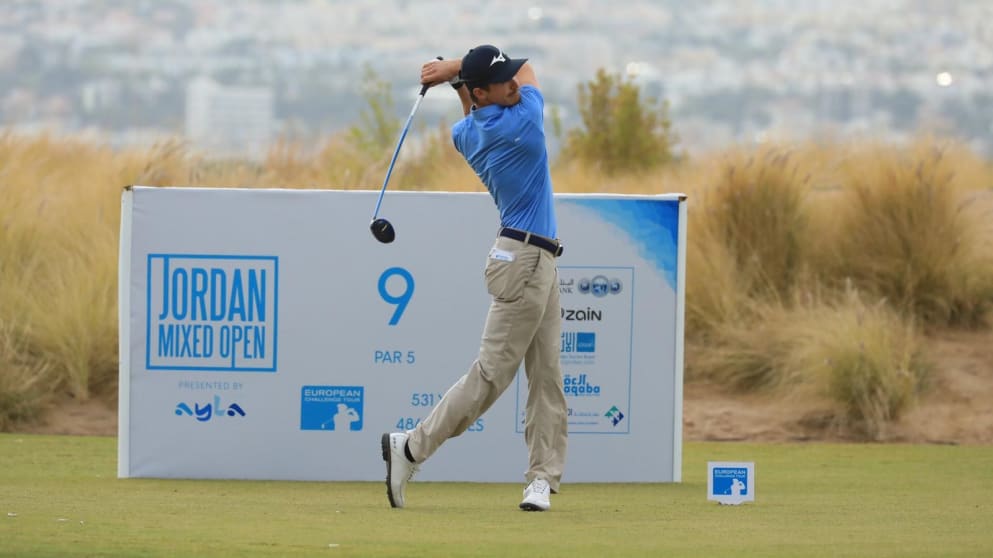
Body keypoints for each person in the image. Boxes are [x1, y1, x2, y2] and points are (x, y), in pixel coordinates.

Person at [381, 44, 568, 512]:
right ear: (485, 92)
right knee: (490, 376)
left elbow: (474, 102)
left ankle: (541, 480)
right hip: (525, 261)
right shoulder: (522, 121)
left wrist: (456, 78)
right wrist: (452, 70)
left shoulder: (465, 132)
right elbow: (528, 70)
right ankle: (411, 448)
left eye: (509, 78)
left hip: (533, 258)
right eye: (501, 81)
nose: (513, 83)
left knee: (547, 376)